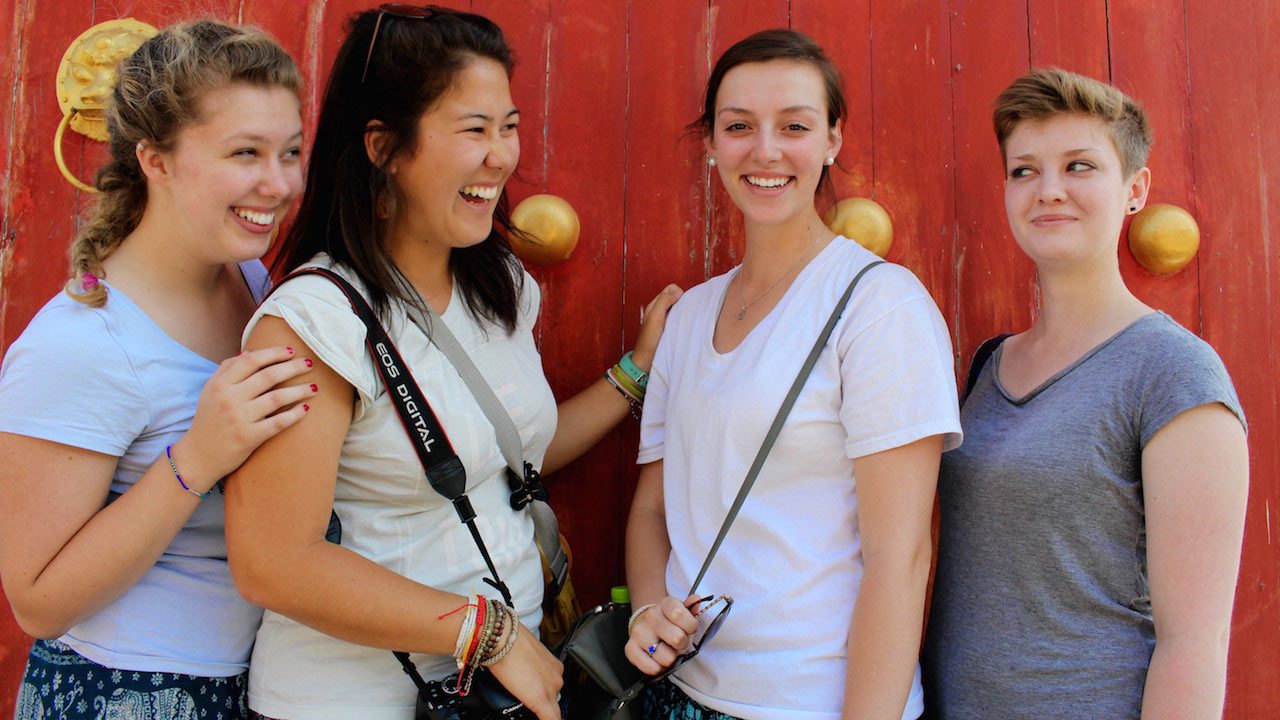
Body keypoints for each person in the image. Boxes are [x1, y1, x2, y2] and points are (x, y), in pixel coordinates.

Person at [222, 6, 680, 720]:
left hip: (496, 697)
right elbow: (273, 561)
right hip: (354, 701)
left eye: (509, 127)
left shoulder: (497, 283)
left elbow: (507, 455)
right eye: (474, 130)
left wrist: (638, 368)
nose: (502, 155)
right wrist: (488, 633)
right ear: (383, 147)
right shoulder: (313, 323)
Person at [624, 29, 962, 720]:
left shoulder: (879, 306)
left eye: (795, 126)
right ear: (712, 142)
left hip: (810, 702)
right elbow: (654, 509)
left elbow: (900, 559)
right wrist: (649, 610)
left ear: (833, 138)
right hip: (678, 694)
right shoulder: (689, 316)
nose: (766, 150)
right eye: (739, 126)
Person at [0, 20, 310, 720]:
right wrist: (196, 457)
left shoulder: (251, 278)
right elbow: (37, 601)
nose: (280, 181)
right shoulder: (82, 345)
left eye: (290, 151)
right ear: (156, 160)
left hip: (258, 680)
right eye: (245, 152)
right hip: (128, 691)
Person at [921, 68, 1249, 719]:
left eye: (1079, 167)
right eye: (1024, 171)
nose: (1048, 191)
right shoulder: (990, 364)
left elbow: (1195, 643)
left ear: (1135, 189)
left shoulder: (1174, 373)